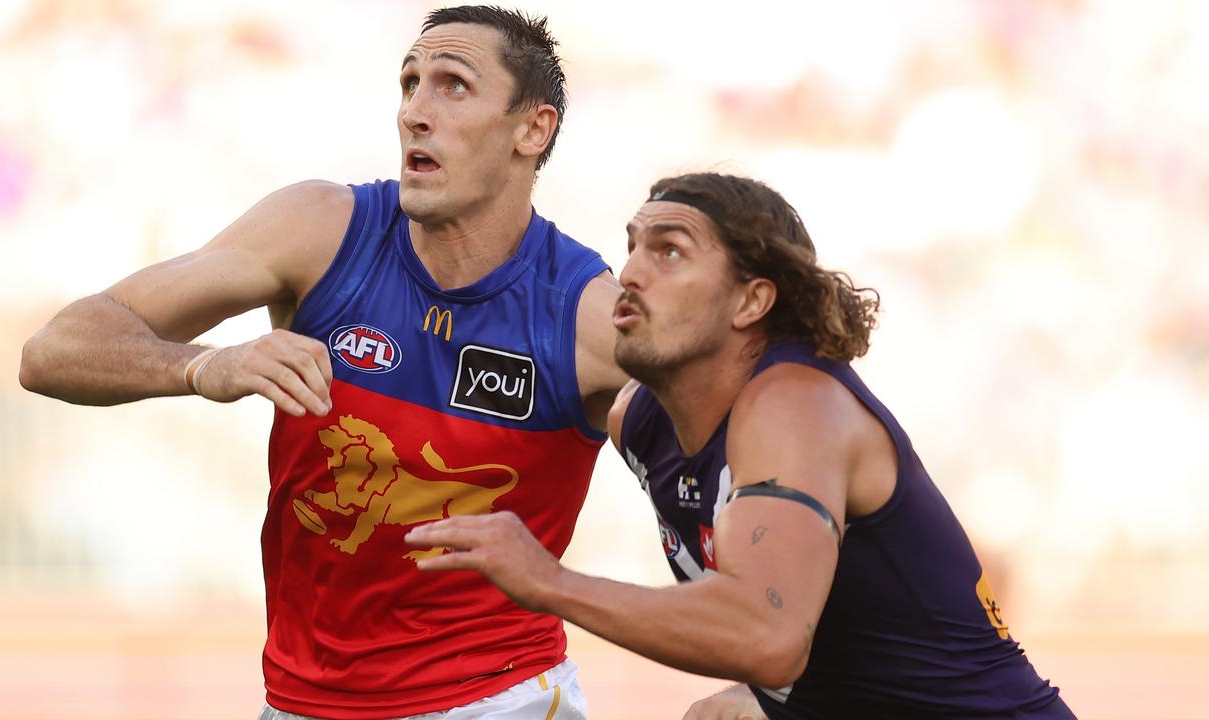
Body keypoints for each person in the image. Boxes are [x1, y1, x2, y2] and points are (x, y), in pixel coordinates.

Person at [19, 7, 629, 720]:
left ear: (533, 129)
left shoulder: (585, 312)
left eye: (452, 85)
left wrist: (748, 676)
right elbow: (52, 351)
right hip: (302, 701)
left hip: (498, 699)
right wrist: (201, 367)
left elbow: (739, 478)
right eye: (409, 83)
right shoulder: (321, 231)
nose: (414, 113)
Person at [406, 172, 1077, 719]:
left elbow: (768, 636)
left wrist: (550, 582)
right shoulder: (640, 417)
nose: (631, 271)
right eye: (633, 245)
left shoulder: (793, 405)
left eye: (668, 251)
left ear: (752, 300)